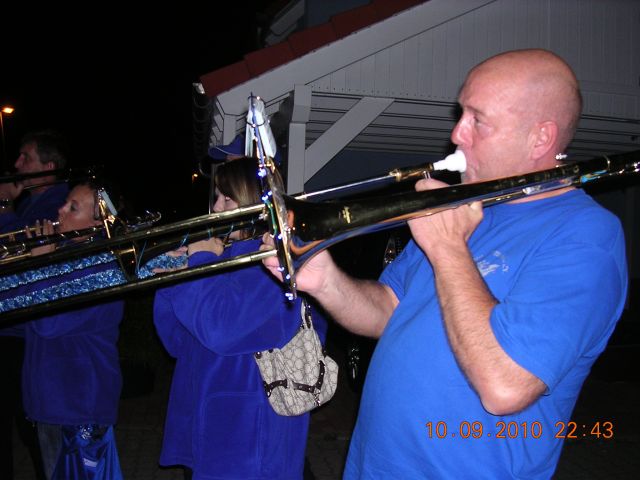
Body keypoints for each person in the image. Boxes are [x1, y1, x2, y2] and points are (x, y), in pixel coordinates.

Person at [262, 48, 628, 478]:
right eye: (461, 114)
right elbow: (389, 310)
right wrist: (326, 280)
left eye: (478, 119)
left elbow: (505, 387)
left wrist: (449, 248)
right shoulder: (468, 209)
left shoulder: (586, 236)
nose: (457, 133)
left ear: (540, 139)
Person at [153, 157, 326, 479]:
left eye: (227, 199)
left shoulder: (271, 263)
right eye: (216, 197)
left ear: (253, 203)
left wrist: (200, 262)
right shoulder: (220, 257)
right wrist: (173, 278)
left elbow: (221, 329)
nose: (216, 208)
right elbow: (177, 342)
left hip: (249, 430)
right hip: (205, 415)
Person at [0, 180, 125, 479]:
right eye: (65, 202)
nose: (60, 210)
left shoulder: (99, 268)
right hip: (50, 404)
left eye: (73, 208)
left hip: (77, 409)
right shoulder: (65, 254)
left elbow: (47, 322)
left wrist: (40, 263)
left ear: (97, 223)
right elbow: (19, 311)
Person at [0, 129, 70, 480]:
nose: (16, 164)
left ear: (48, 167)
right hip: (14, 326)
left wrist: (4, 207)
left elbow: (17, 250)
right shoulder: (31, 201)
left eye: (25, 158)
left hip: (23, 333)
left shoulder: (57, 204)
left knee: (32, 429)